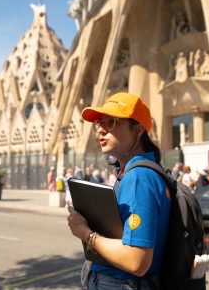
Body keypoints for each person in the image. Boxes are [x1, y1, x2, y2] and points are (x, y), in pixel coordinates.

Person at [67, 92, 171, 289]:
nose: (101, 131)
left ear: (138, 130)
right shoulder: (132, 173)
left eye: (111, 122)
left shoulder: (139, 177)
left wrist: (86, 233)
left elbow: (136, 261)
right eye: (100, 123)